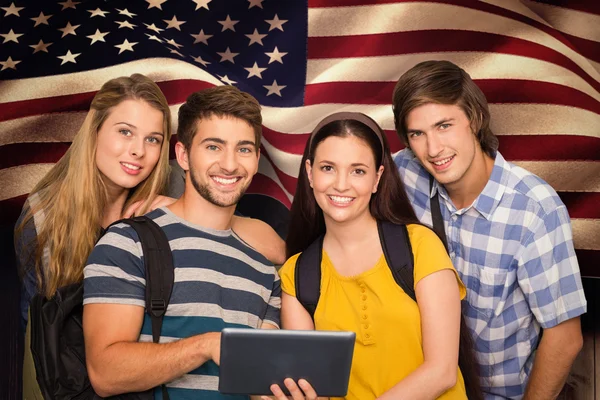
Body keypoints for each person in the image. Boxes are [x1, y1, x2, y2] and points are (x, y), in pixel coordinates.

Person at [82, 86, 304, 399]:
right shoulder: (128, 243)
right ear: (183, 155)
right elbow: (105, 373)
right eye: (214, 147)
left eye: (243, 149)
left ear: (256, 160)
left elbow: (259, 379)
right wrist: (206, 345)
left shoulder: (264, 267)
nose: (229, 164)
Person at [14, 76, 285, 332]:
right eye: (125, 132)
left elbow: (277, 250)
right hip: (78, 360)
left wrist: (181, 210)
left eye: (152, 139)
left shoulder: (175, 185)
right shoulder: (44, 214)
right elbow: (40, 327)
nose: (138, 151)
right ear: (94, 132)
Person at [392, 60, 587, 399]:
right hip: (414, 385)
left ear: (475, 119)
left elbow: (565, 338)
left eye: (444, 125)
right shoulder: (403, 172)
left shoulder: (533, 209)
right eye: (417, 134)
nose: (433, 149)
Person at [277, 112, 478, 400]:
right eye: (328, 168)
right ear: (310, 173)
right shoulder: (296, 276)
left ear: (377, 178)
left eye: (358, 170)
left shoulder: (420, 245)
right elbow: (311, 386)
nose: (341, 184)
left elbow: (442, 371)